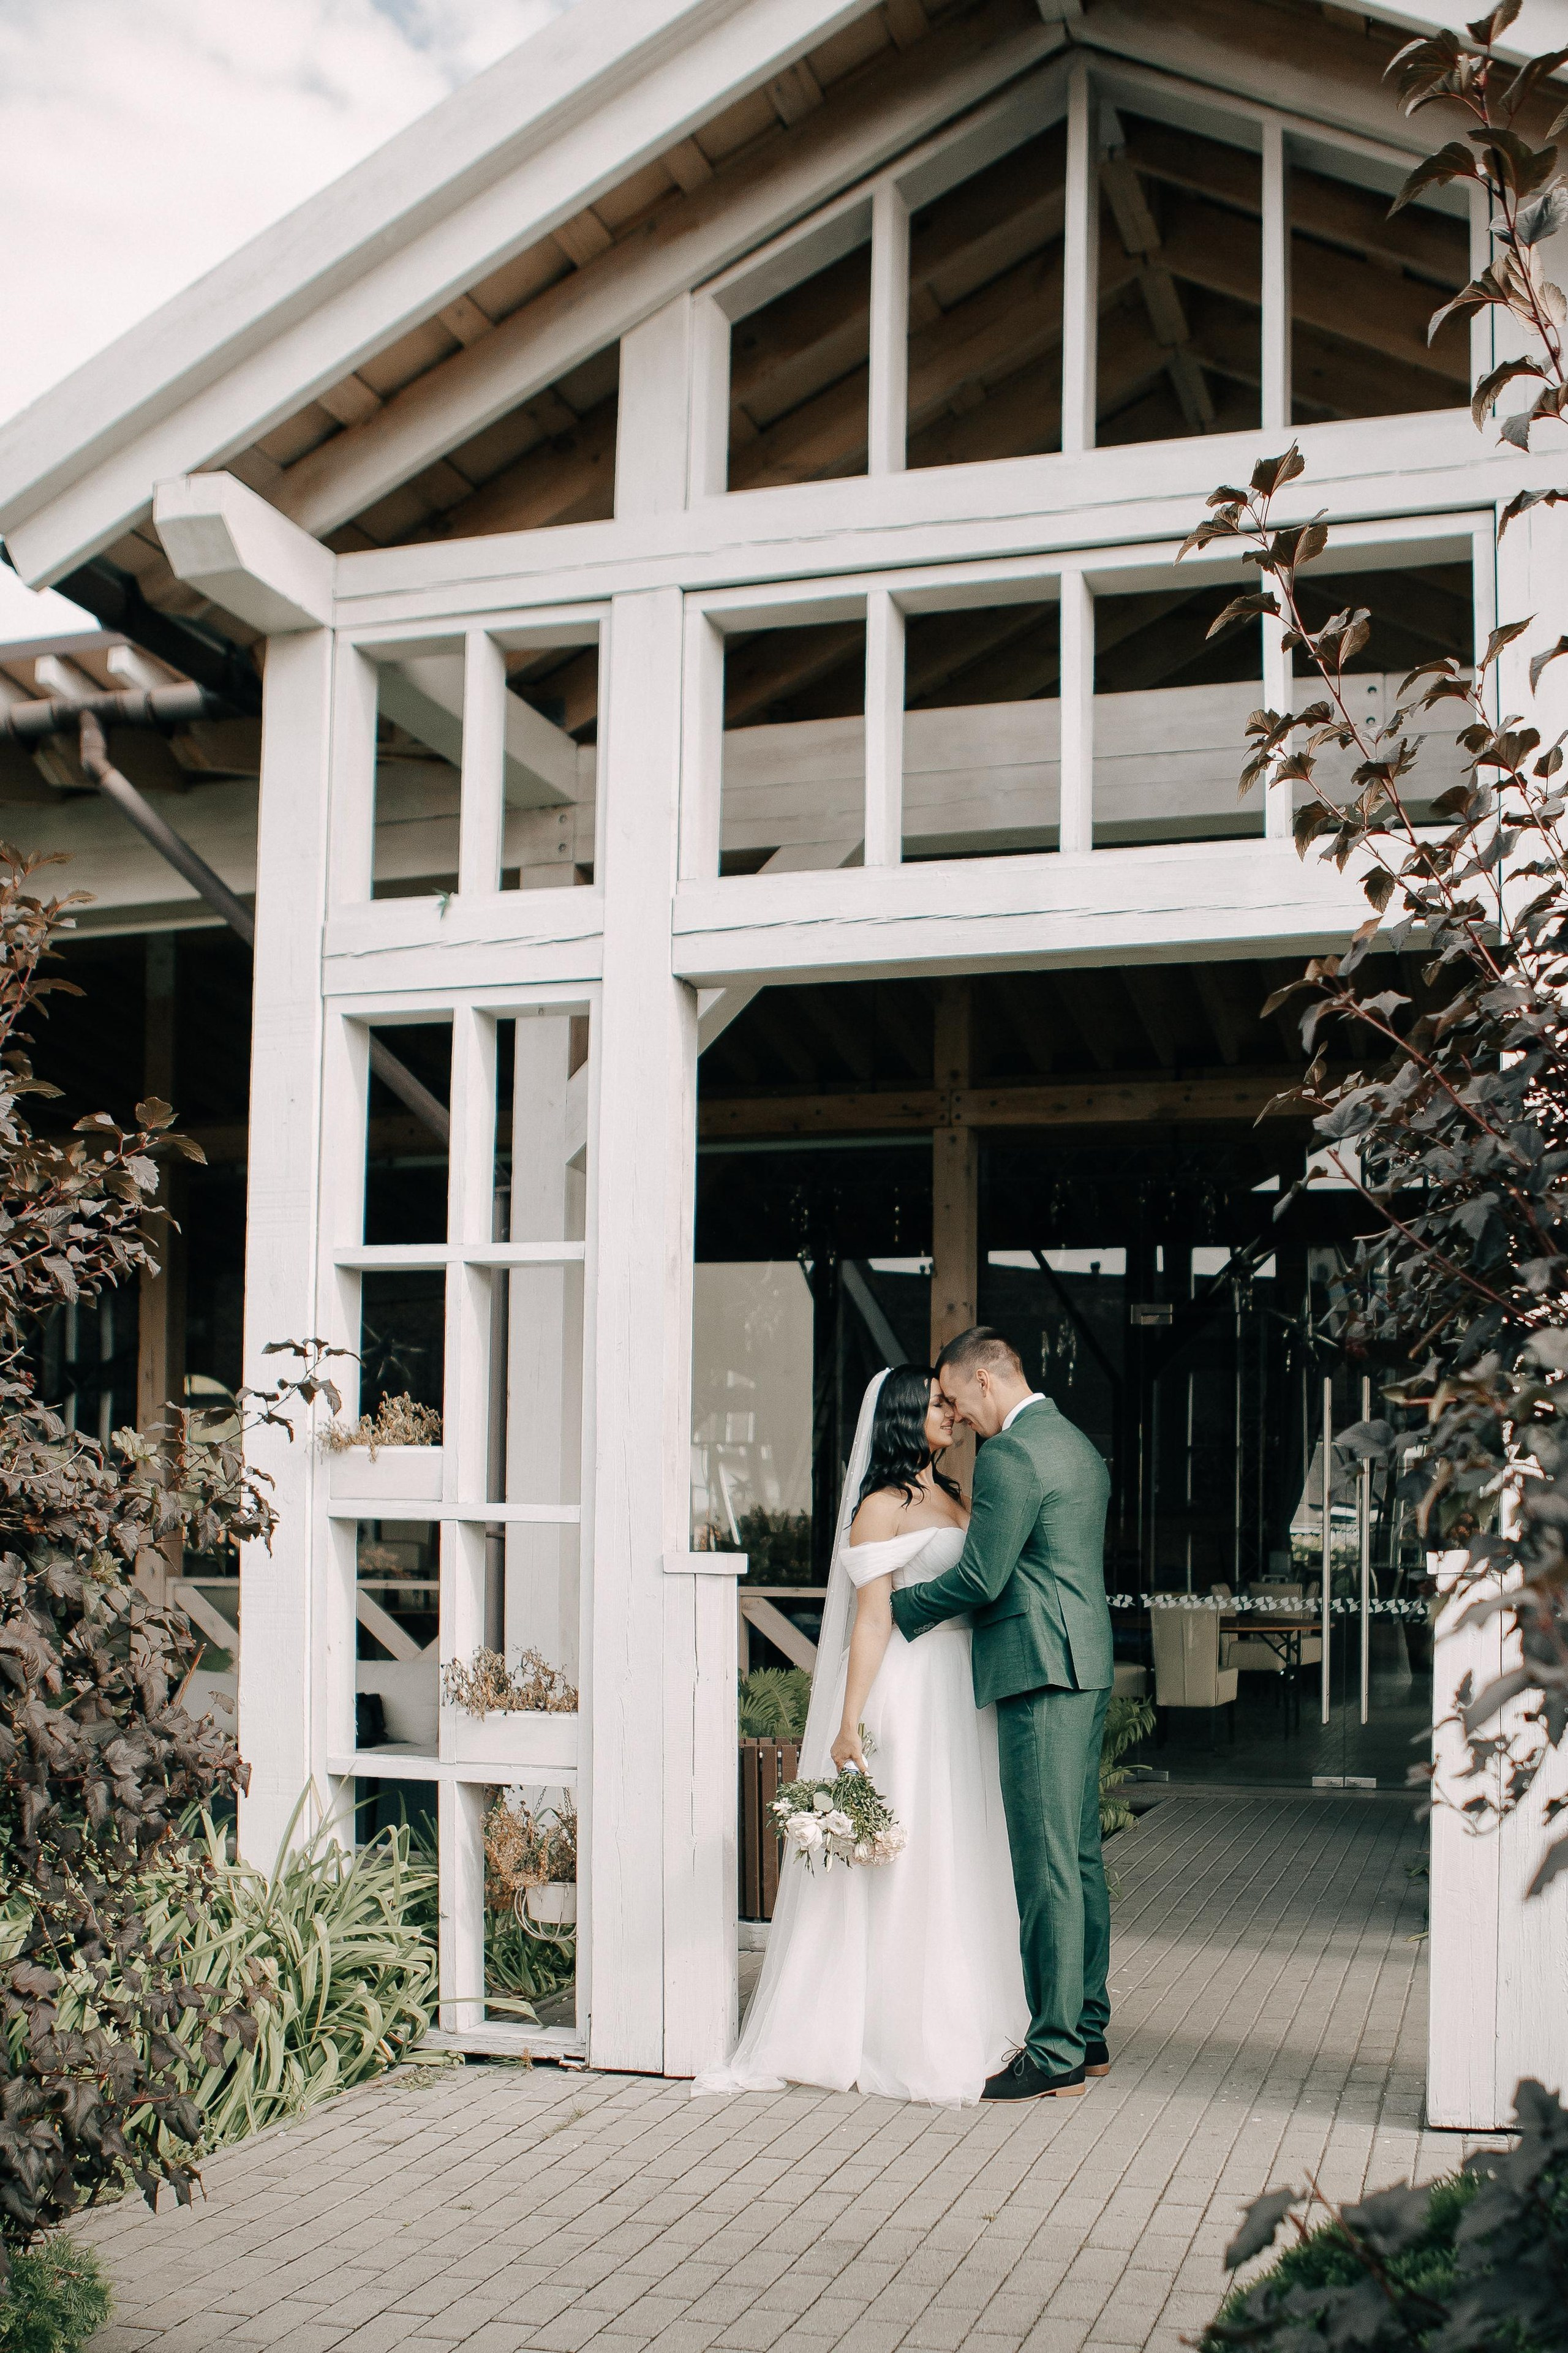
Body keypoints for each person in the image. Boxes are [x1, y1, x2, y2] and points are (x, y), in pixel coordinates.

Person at [694, 1364, 1028, 2105]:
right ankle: (887, 2023)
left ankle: (966, 2004)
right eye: (939, 1403)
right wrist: (848, 1720)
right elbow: (871, 1617)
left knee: (958, 1841)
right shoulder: (880, 1505)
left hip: (959, 1685)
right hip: (908, 1688)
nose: (952, 1413)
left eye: (952, 1401)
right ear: (904, 1414)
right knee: (908, 1847)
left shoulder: (950, 1494)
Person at [891, 1326, 1115, 2103]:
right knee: (1078, 1853)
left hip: (1040, 1668)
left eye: (954, 1397)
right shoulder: (1076, 1442)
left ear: (987, 1381)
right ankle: (1087, 2027)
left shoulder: (1011, 1455)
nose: (955, 1416)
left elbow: (984, 1576)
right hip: (1083, 1660)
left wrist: (904, 1604)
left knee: (1045, 1861)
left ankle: (1053, 2051)